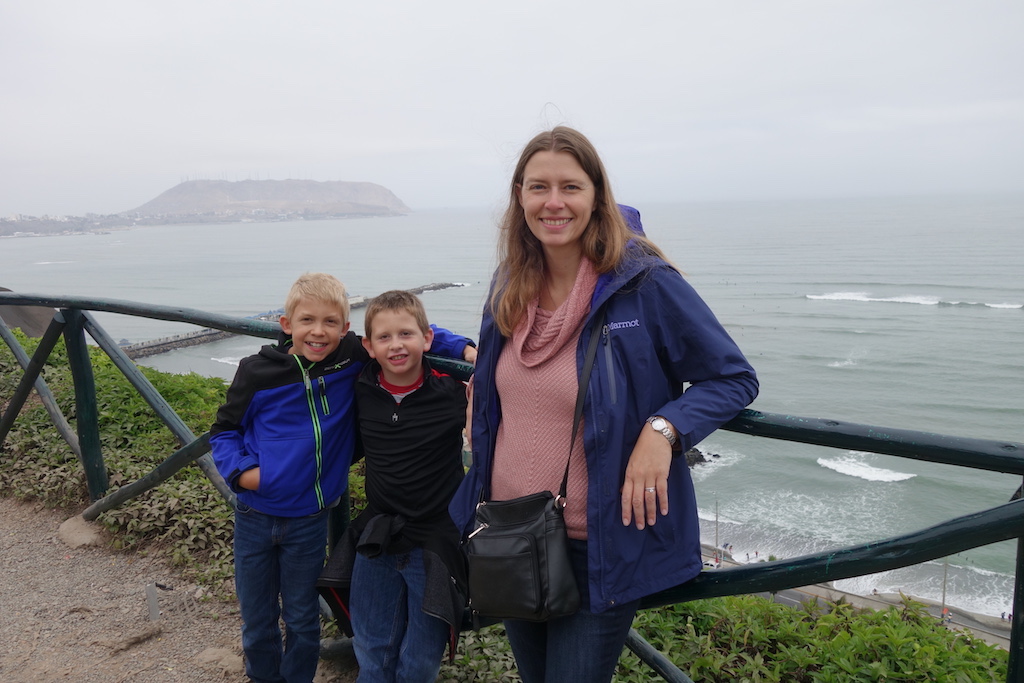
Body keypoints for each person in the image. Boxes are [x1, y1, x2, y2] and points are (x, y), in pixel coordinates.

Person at [449, 127, 759, 682]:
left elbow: (732, 378)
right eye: (538, 186)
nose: (554, 202)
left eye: (571, 186)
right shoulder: (509, 284)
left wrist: (663, 430)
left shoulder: (642, 285)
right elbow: (501, 381)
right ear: (519, 196)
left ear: (597, 195)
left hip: (596, 547)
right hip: (508, 533)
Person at [210, 273, 474, 683]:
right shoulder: (272, 372)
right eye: (307, 321)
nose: (318, 332)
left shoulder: (369, 364)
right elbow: (224, 429)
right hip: (268, 513)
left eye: (330, 323)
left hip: (330, 520)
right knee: (264, 619)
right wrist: (244, 474)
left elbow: (410, 333)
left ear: (346, 331)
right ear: (286, 324)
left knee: (307, 619)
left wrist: (465, 349)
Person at [317, 290, 469, 683]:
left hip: (435, 540)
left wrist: (467, 350)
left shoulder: (452, 390)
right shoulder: (362, 382)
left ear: (427, 338)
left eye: (407, 334)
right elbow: (315, 340)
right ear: (368, 346)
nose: (396, 345)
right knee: (373, 649)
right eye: (384, 338)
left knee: (419, 661)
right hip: (379, 534)